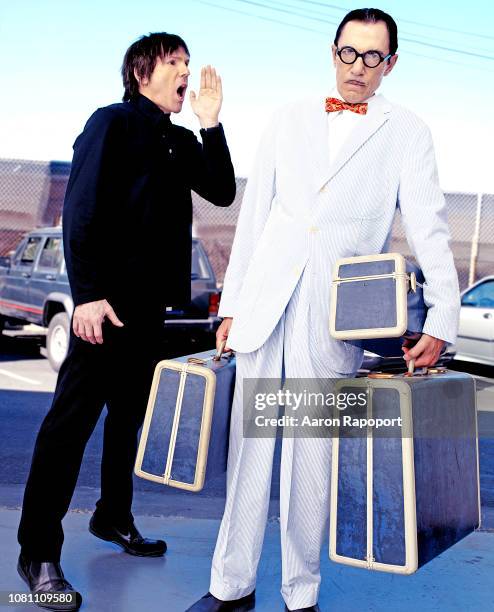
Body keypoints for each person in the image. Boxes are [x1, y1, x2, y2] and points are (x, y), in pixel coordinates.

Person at [187, 8, 460, 612]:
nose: (357, 68)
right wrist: (233, 304)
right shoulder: (287, 119)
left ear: (390, 63)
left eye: (372, 57)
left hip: (337, 313)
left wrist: (442, 317)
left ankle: (300, 594)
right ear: (332, 52)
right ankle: (229, 588)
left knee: (311, 460)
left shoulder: (407, 131)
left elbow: (429, 225)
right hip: (264, 305)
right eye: (348, 53)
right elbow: (256, 215)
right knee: (248, 450)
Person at [17, 32, 235, 610]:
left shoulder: (179, 139)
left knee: (127, 423)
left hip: (148, 312)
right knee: (68, 429)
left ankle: (113, 517)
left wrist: (211, 126)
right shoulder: (112, 122)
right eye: (175, 62)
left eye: (189, 62)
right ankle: (37, 552)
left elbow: (221, 188)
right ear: (142, 73)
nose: (187, 71)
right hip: (103, 308)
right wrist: (86, 295)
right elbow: (80, 208)